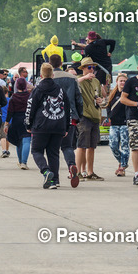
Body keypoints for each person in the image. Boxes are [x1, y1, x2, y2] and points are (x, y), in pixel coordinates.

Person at [26, 63, 71, 189]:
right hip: (58, 125)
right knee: (53, 153)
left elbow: (30, 108)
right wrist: (66, 127)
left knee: (36, 150)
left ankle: (46, 172)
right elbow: (67, 108)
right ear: (52, 74)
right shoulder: (61, 90)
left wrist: (28, 124)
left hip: (41, 126)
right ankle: (55, 181)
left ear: (41, 75)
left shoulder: (37, 90)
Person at [49, 54, 83, 187]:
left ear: (49, 63)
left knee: (53, 150)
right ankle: (72, 165)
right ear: (61, 63)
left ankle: (55, 179)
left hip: (51, 117)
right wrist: (78, 115)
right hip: (70, 117)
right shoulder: (72, 78)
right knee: (67, 146)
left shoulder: (48, 78)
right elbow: (78, 99)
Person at [75, 57, 105, 181]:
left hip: (94, 115)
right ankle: (77, 172)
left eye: (93, 67)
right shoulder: (78, 80)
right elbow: (73, 84)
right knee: (81, 145)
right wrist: (84, 77)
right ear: (83, 69)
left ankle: (90, 172)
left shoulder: (96, 81)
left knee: (92, 146)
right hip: (84, 116)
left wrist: (100, 101)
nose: (92, 69)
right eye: (89, 67)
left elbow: (101, 97)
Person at [4, 77, 32, 169]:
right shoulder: (30, 96)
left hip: (16, 120)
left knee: (18, 141)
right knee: (26, 140)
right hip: (27, 119)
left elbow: (10, 111)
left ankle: (20, 161)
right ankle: (24, 162)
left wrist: (6, 123)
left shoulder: (13, 97)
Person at [107, 73, 130, 176]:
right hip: (114, 124)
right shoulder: (113, 94)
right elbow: (108, 106)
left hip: (125, 123)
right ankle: (122, 161)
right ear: (117, 82)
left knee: (125, 146)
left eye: (124, 81)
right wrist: (109, 116)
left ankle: (122, 167)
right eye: (121, 81)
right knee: (113, 145)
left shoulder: (129, 94)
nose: (123, 83)